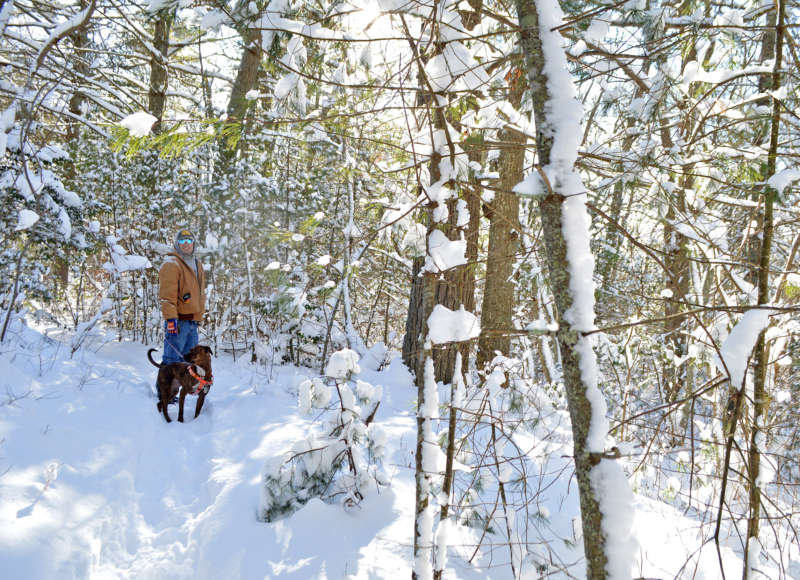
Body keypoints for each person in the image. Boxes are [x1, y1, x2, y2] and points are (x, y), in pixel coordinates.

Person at [159, 228, 206, 366]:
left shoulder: (197, 264)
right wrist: (171, 319)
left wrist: (199, 316)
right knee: (172, 361)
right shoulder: (171, 263)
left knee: (190, 362)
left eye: (189, 240)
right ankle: (164, 388)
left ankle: (186, 388)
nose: (186, 243)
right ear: (177, 243)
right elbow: (167, 296)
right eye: (182, 241)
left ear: (193, 243)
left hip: (192, 322)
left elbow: (200, 293)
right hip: (178, 322)